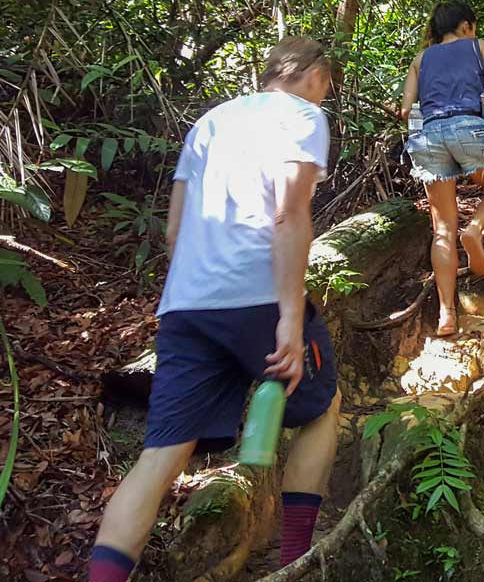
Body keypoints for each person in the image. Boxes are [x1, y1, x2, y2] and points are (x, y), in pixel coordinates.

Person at [89, 37, 341, 582]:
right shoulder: (303, 116)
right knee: (323, 408)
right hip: (256, 294)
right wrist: (291, 322)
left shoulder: (210, 122)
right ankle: (296, 562)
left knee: (159, 458)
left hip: (185, 304)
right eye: (326, 85)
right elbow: (290, 215)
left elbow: (174, 230)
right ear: (315, 78)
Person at [400, 0, 484, 337]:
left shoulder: (421, 59)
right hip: (472, 130)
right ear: (466, 26)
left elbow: (406, 109)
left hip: (429, 136)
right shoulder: (480, 46)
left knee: (442, 229)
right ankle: (476, 229)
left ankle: (447, 315)